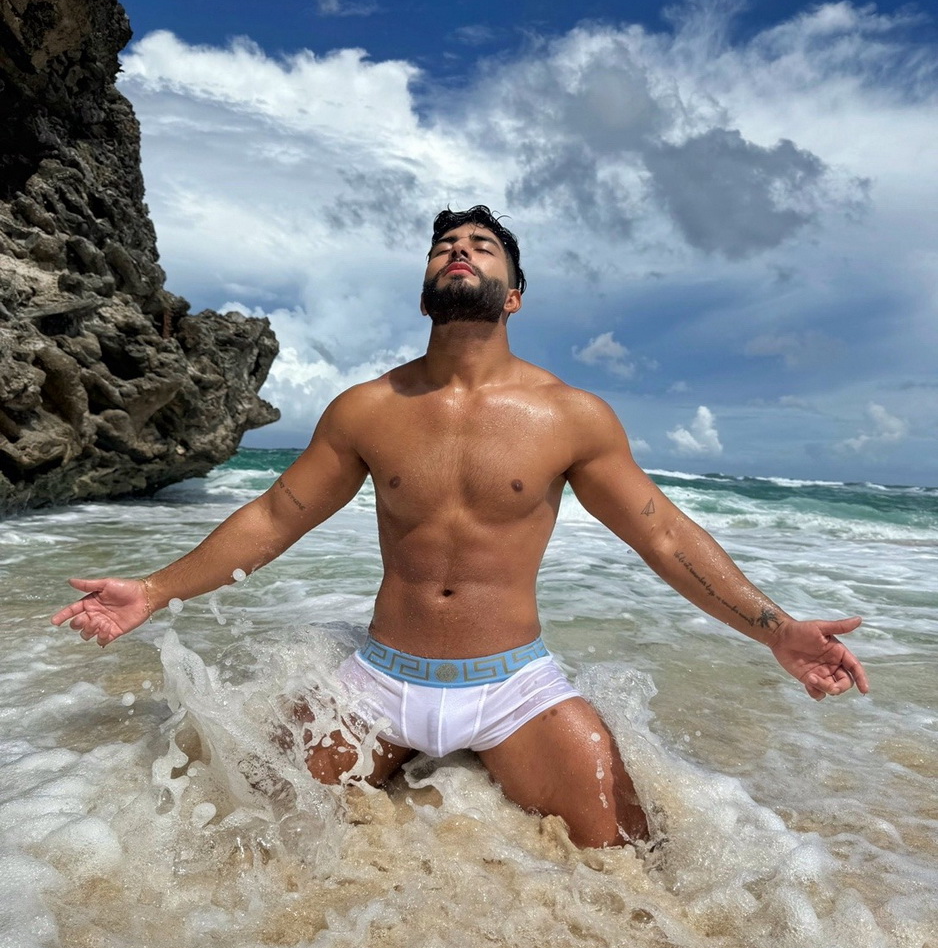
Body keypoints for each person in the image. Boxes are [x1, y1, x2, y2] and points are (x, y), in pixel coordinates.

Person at [52, 206, 869, 849]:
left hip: (515, 687)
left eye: (481, 246)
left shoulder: (570, 415)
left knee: (626, 856)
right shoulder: (368, 409)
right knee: (258, 832)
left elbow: (664, 535)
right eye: (445, 245)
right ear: (425, 292)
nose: (459, 251)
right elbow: (274, 517)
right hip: (379, 681)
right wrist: (153, 590)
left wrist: (776, 630)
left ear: (512, 294)